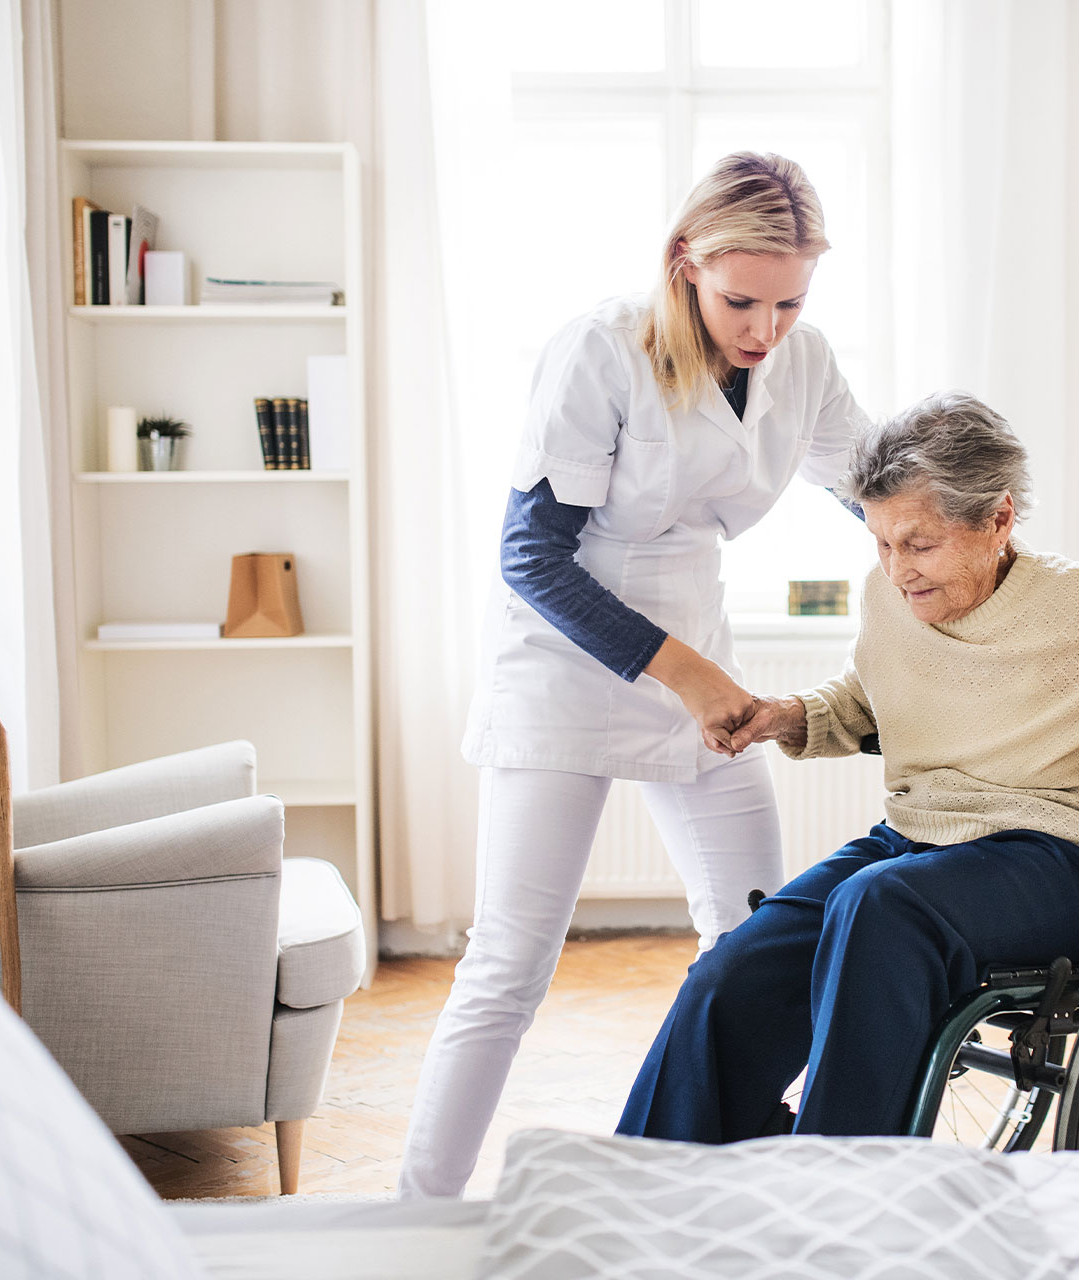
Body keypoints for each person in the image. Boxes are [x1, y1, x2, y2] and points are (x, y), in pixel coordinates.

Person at [616, 392, 1079, 1142]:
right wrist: (789, 716)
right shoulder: (891, 595)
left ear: (997, 520)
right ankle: (652, 1186)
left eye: (919, 545)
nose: (897, 571)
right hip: (918, 844)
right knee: (735, 973)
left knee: (879, 908)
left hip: (1058, 854)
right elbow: (874, 695)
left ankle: (838, 1196)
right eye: (882, 544)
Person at [399, 153, 869, 1197]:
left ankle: (727, 1185)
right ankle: (420, 1209)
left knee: (751, 943)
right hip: (564, 667)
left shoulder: (804, 360)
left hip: (699, 650)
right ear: (683, 264)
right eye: (741, 298)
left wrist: (978, 538)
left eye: (790, 301)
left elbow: (877, 489)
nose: (764, 327)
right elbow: (533, 558)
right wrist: (689, 675)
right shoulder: (600, 351)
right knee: (511, 966)